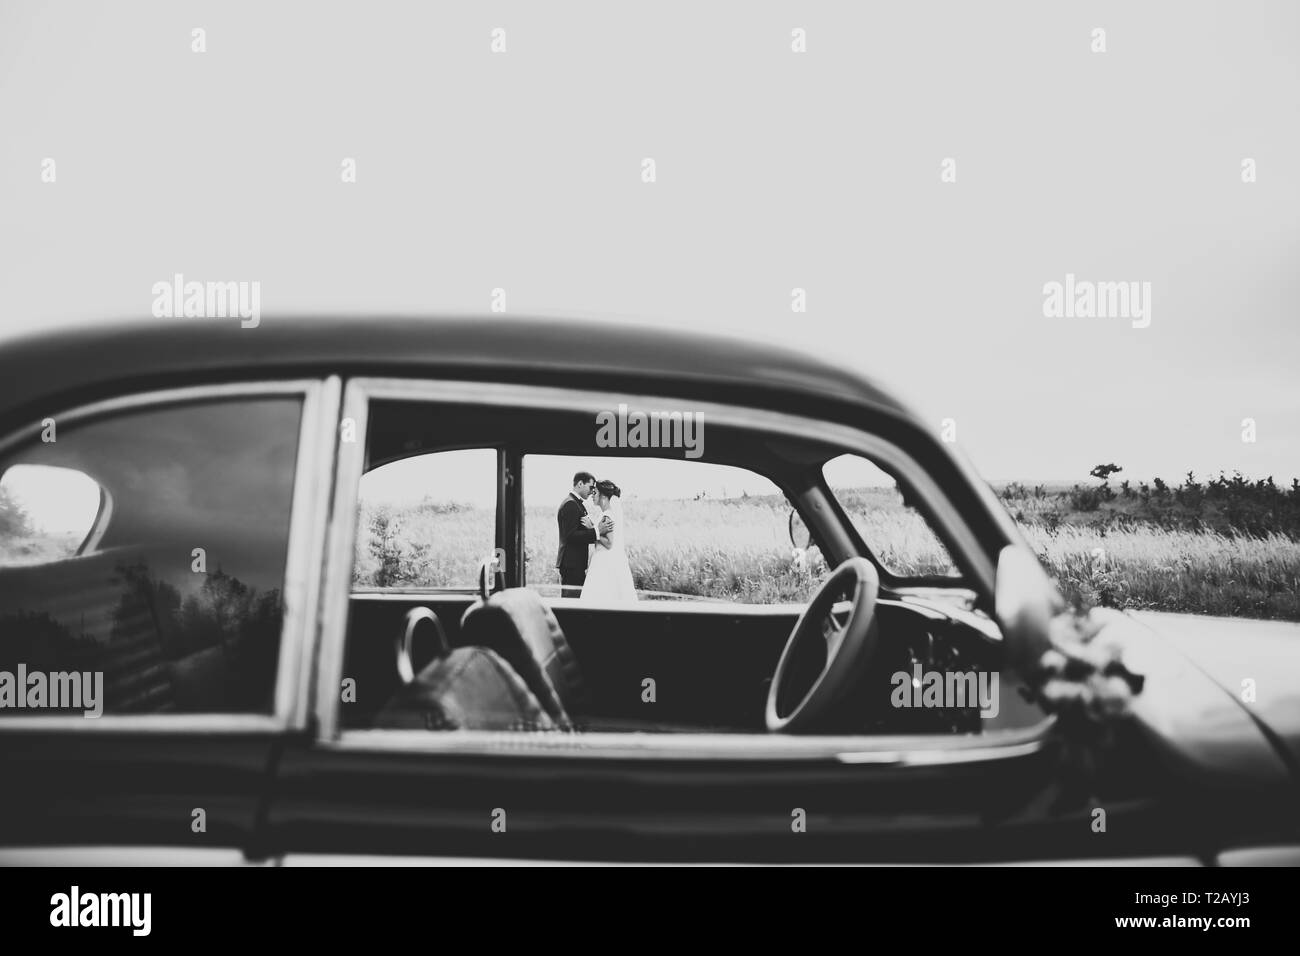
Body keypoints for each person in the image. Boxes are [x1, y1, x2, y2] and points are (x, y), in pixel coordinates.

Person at [555, 471, 612, 597]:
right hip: (571, 564)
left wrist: (593, 529)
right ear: (580, 483)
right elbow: (570, 536)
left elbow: (580, 532)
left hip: (575, 563)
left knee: (576, 600)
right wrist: (597, 531)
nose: (592, 491)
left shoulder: (576, 503)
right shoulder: (571, 504)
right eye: (591, 487)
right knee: (571, 603)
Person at [581, 479, 637, 602]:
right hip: (604, 557)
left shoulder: (608, 515)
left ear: (604, 496)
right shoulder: (607, 514)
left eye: (595, 493)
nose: (592, 496)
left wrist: (592, 529)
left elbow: (609, 543)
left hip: (604, 559)